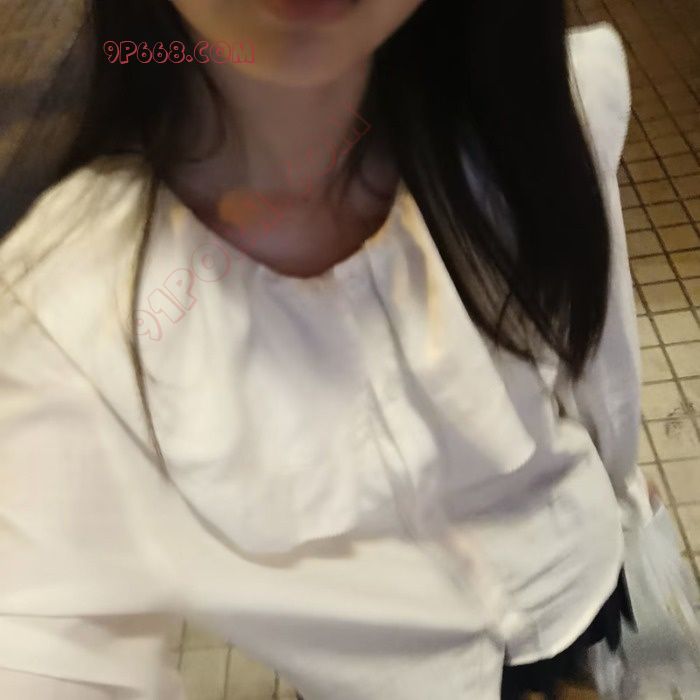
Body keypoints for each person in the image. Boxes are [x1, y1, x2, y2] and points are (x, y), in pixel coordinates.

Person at [0, 0, 655, 698]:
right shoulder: (60, 317)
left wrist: (624, 501)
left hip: (582, 584)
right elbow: (43, 636)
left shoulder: (529, 115)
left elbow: (599, 365)